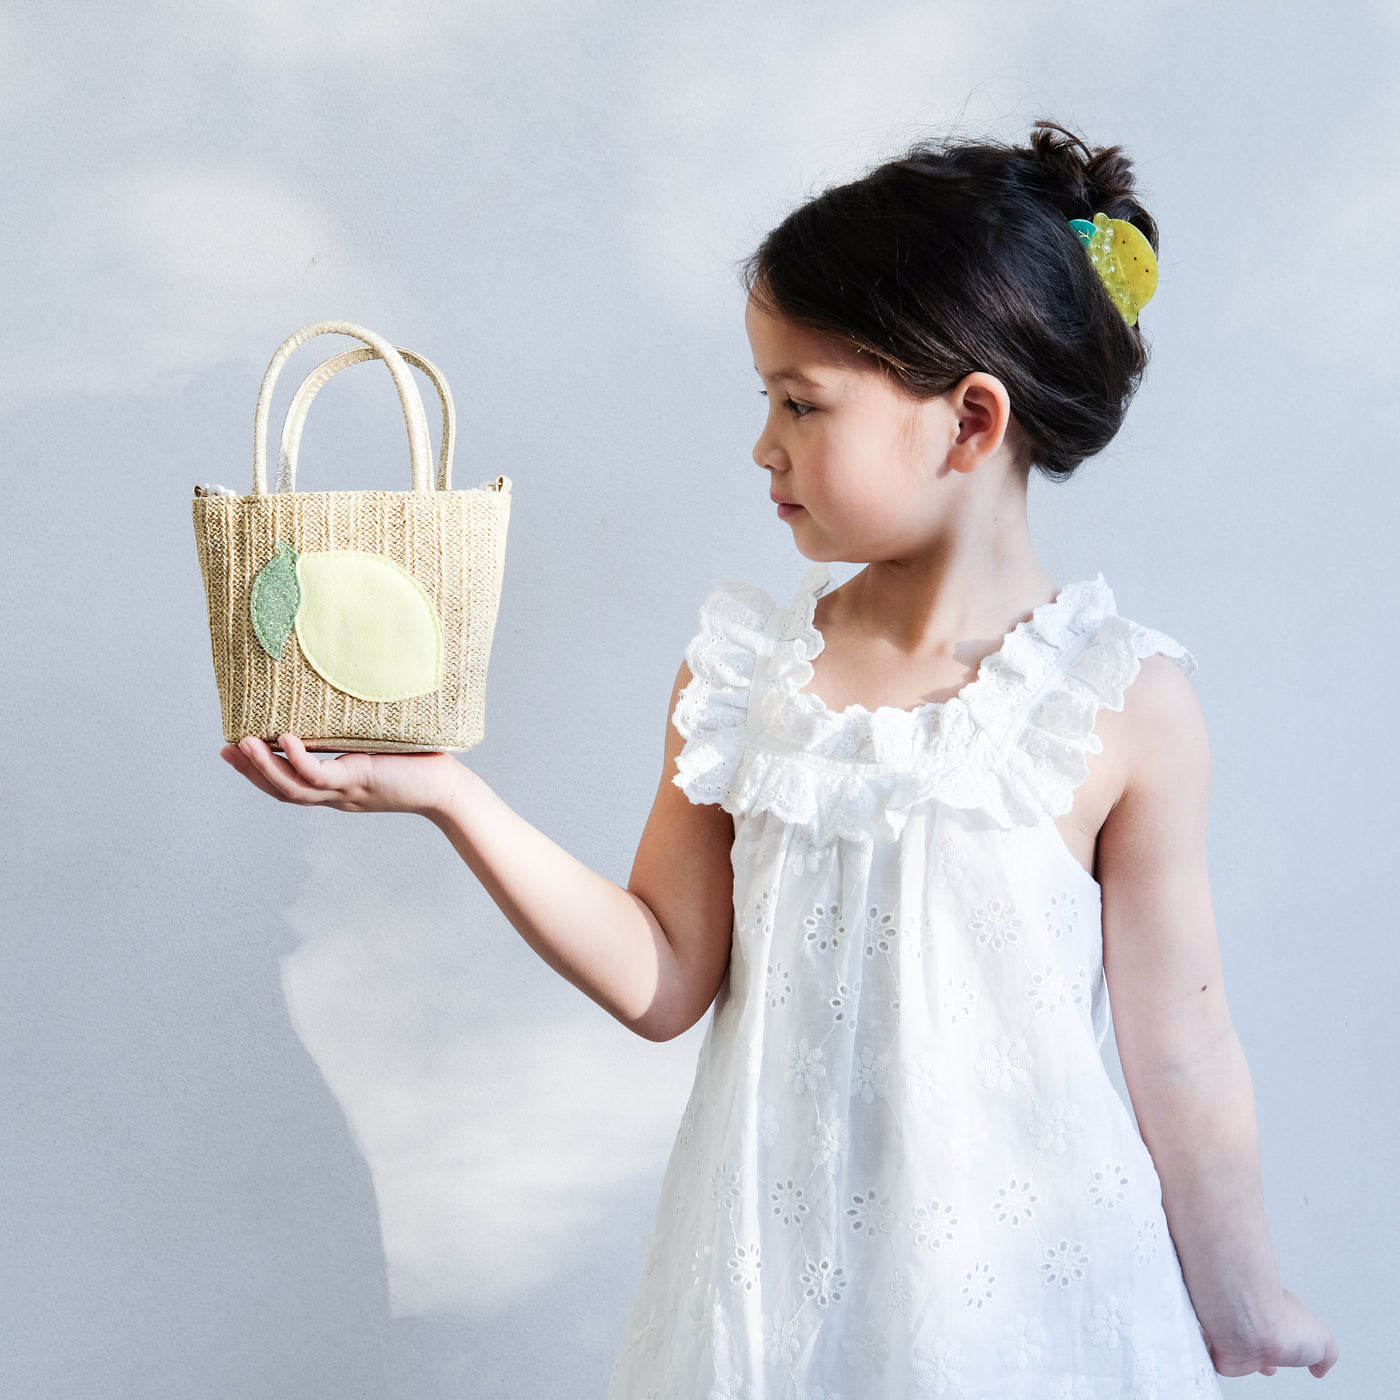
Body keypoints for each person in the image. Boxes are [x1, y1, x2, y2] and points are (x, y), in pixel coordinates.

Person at [223, 123, 1338, 1397]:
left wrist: (1242, 1293)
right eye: (765, 399)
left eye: (799, 402)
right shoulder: (741, 675)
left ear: (971, 420)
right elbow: (661, 977)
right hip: (766, 1295)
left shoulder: (1119, 700)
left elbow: (1181, 1047)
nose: (764, 444)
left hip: (1032, 1304)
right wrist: (448, 795)